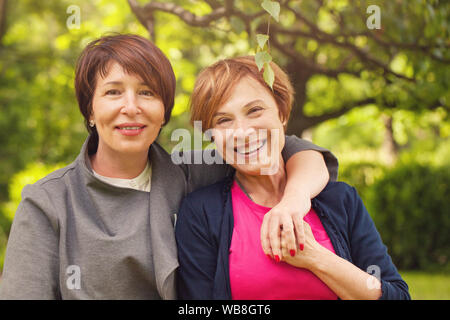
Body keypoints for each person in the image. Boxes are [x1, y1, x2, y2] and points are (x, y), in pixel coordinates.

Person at [0, 34, 338, 299]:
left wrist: (294, 200)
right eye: (113, 92)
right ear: (89, 110)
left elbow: (296, 150)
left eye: (147, 93)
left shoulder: (194, 173)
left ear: (164, 110)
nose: (131, 107)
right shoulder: (48, 202)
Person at [175, 56, 411, 300]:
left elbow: (397, 296)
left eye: (255, 110)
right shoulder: (201, 213)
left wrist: (314, 257)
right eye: (224, 120)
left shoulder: (341, 200)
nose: (242, 132)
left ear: (282, 113)